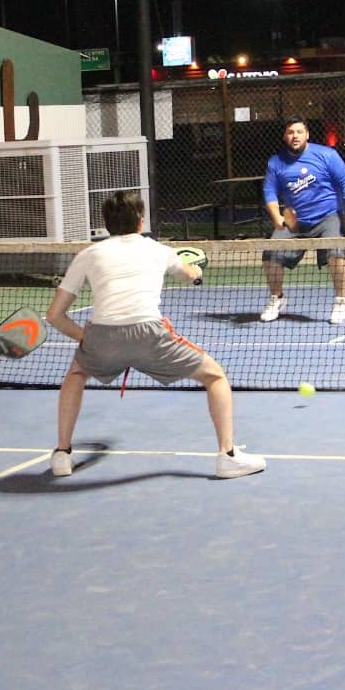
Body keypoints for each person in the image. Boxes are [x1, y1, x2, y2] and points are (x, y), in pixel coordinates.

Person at [45, 190, 265, 479]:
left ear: (106, 224)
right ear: (140, 221)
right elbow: (189, 274)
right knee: (215, 376)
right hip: (149, 334)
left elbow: (54, 316)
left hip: (101, 337)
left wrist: (85, 338)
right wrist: (197, 272)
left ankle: (62, 454)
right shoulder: (158, 250)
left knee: (75, 375)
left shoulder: (88, 255)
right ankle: (228, 456)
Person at [259, 116, 345, 325]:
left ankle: (341, 301)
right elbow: (269, 192)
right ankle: (276, 298)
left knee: (336, 253)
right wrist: (276, 216)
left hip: (327, 217)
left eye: (298, 132)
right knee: (270, 255)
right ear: (284, 136)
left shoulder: (327, 155)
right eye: (290, 132)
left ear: (307, 134)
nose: (294, 136)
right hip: (294, 221)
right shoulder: (275, 163)